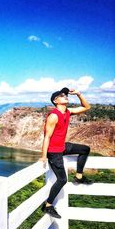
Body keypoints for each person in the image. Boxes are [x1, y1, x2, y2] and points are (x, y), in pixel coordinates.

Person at [39, 87, 92, 219]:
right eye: (62, 96)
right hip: (54, 152)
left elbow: (87, 107)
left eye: (66, 95)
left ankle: (79, 177)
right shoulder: (53, 116)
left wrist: (79, 94)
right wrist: (44, 156)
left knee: (85, 149)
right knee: (62, 179)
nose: (65, 96)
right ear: (56, 101)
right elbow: (47, 137)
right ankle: (48, 205)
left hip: (62, 147)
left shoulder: (68, 112)